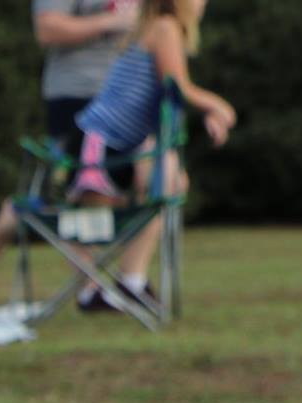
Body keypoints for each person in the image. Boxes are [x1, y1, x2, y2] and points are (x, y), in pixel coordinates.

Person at [66, 0, 235, 310]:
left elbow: (169, 99)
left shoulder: (155, 29)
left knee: (170, 180)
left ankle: (128, 283)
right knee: (91, 225)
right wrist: (218, 106)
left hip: (118, 143)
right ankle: (97, 291)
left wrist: (206, 112)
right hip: (98, 143)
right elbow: (177, 87)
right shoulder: (164, 28)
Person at [0, 0, 138, 257]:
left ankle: (130, 284)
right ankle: (95, 289)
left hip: (129, 100)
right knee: (79, 193)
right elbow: (47, 28)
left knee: (153, 186)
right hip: (79, 95)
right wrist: (112, 22)